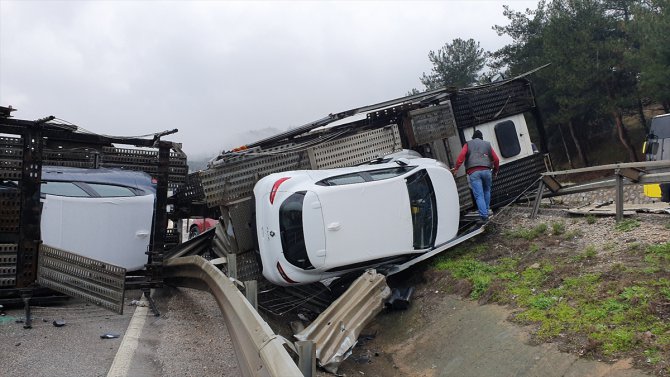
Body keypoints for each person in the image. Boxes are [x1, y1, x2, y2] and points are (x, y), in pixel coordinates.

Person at [450, 130, 500, 224]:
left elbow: (461, 156)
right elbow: (496, 159)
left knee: (479, 195)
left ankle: (484, 216)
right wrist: (495, 171)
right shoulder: (487, 144)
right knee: (487, 191)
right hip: (487, 171)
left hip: (474, 172)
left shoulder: (468, 144)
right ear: (482, 138)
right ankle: (486, 210)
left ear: (473, 137)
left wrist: (456, 168)